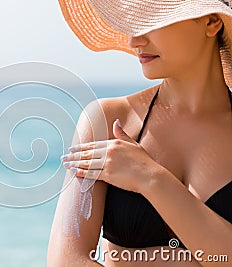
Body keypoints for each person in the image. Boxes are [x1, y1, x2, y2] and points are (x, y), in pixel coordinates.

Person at [47, 0, 232, 266]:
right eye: (133, 25)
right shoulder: (107, 120)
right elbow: (65, 261)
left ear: (212, 22)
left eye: (152, 21)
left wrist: (150, 177)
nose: (135, 41)